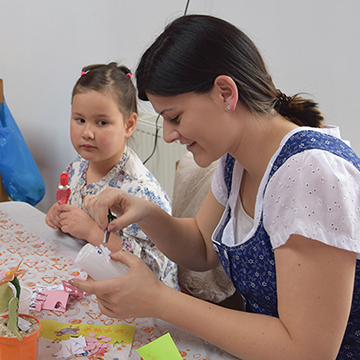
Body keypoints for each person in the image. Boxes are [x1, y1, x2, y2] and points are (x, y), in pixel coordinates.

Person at [70, 16, 360, 360]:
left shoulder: (310, 174)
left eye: (175, 117)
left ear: (226, 92)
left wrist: (160, 300)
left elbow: (308, 351)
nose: (168, 134)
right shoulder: (236, 159)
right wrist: (146, 213)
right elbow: (202, 247)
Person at [45, 62, 178, 290]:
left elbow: (153, 266)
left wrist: (91, 231)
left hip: (142, 298)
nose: (87, 132)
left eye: (102, 122)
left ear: (129, 125)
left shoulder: (140, 190)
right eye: (80, 120)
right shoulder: (77, 168)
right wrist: (59, 216)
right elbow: (70, 212)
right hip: (89, 274)